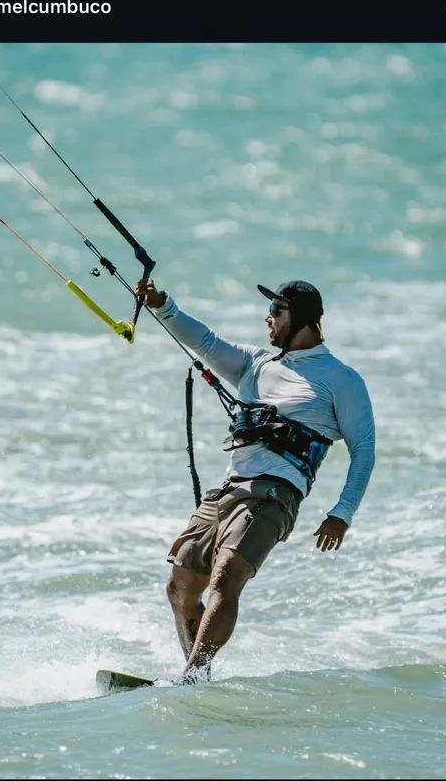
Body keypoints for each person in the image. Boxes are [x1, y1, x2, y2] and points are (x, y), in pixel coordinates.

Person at [135, 278, 375, 682]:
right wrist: (161, 303)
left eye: (277, 310)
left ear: (302, 318)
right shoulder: (256, 363)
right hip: (229, 490)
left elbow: (364, 449)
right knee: (180, 587)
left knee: (227, 575)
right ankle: (198, 679)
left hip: (275, 494)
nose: (268, 317)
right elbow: (205, 341)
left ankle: (191, 678)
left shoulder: (340, 379)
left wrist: (342, 512)